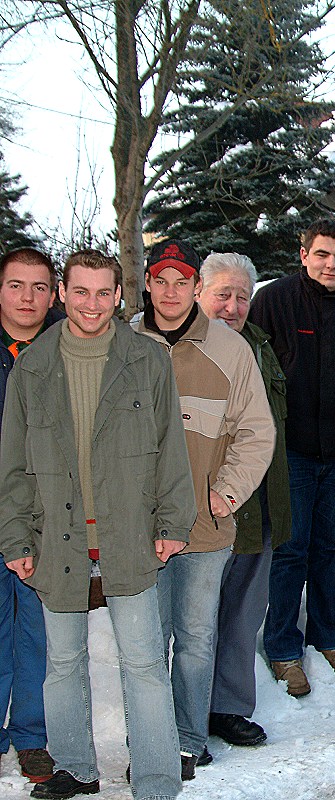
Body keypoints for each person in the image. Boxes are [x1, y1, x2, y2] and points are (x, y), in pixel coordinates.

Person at [0, 249, 196, 800]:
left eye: (102, 293)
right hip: (52, 533)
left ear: (118, 296)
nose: (91, 304)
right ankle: (74, 769)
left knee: (143, 662)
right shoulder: (31, 368)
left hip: (130, 531)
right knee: (62, 661)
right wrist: (14, 536)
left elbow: (170, 452)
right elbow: (12, 463)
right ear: (63, 294)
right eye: (79, 292)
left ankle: (157, 779)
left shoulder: (148, 360)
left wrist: (173, 520)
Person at [134, 239, 273, 777]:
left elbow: (258, 433)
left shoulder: (230, 350)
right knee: (145, 644)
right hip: (140, 531)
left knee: (195, 640)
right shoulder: (124, 342)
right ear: (147, 283)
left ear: (195, 287)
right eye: (160, 280)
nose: (171, 292)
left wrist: (226, 493)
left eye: (182, 281)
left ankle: (190, 739)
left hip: (205, 529)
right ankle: (150, 739)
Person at [248, 219, 335, 696]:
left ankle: (328, 637)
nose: (331, 265)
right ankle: (284, 649)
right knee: (290, 549)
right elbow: (255, 374)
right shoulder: (274, 301)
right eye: (322, 255)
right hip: (290, 451)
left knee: (331, 547)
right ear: (304, 255)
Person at [195, 253, 291, 747]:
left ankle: (228, 708)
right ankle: (186, 715)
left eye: (241, 297)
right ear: (198, 294)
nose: (232, 306)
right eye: (222, 295)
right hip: (203, 513)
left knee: (241, 615)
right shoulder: (178, 349)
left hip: (258, 508)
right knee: (195, 619)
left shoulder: (259, 345)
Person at [0, 248, 63, 785]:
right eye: (17, 285)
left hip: (44, 514)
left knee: (37, 629)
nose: (28, 298)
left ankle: (31, 734)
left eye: (40, 287)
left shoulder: (70, 348)